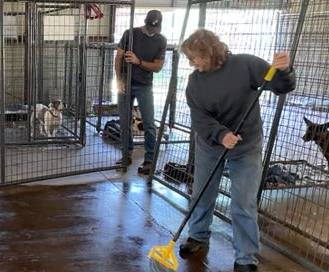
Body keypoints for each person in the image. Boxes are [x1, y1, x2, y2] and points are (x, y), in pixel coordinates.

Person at [179, 29, 296, 272]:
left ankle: (246, 257)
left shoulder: (246, 65)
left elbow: (280, 86)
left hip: (246, 145)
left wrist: (284, 70)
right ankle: (198, 235)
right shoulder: (195, 82)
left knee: (243, 202)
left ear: (209, 52)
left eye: (194, 57)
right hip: (210, 145)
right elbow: (199, 119)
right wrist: (221, 134)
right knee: (202, 192)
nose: (191, 63)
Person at [114, 10, 167, 175]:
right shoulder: (130, 34)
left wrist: (138, 61)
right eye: (151, 27)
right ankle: (126, 155)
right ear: (145, 22)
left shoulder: (161, 40)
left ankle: (149, 160)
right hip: (126, 84)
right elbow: (119, 57)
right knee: (124, 121)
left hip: (145, 85)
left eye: (156, 28)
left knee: (149, 124)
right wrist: (119, 79)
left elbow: (158, 67)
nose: (153, 31)